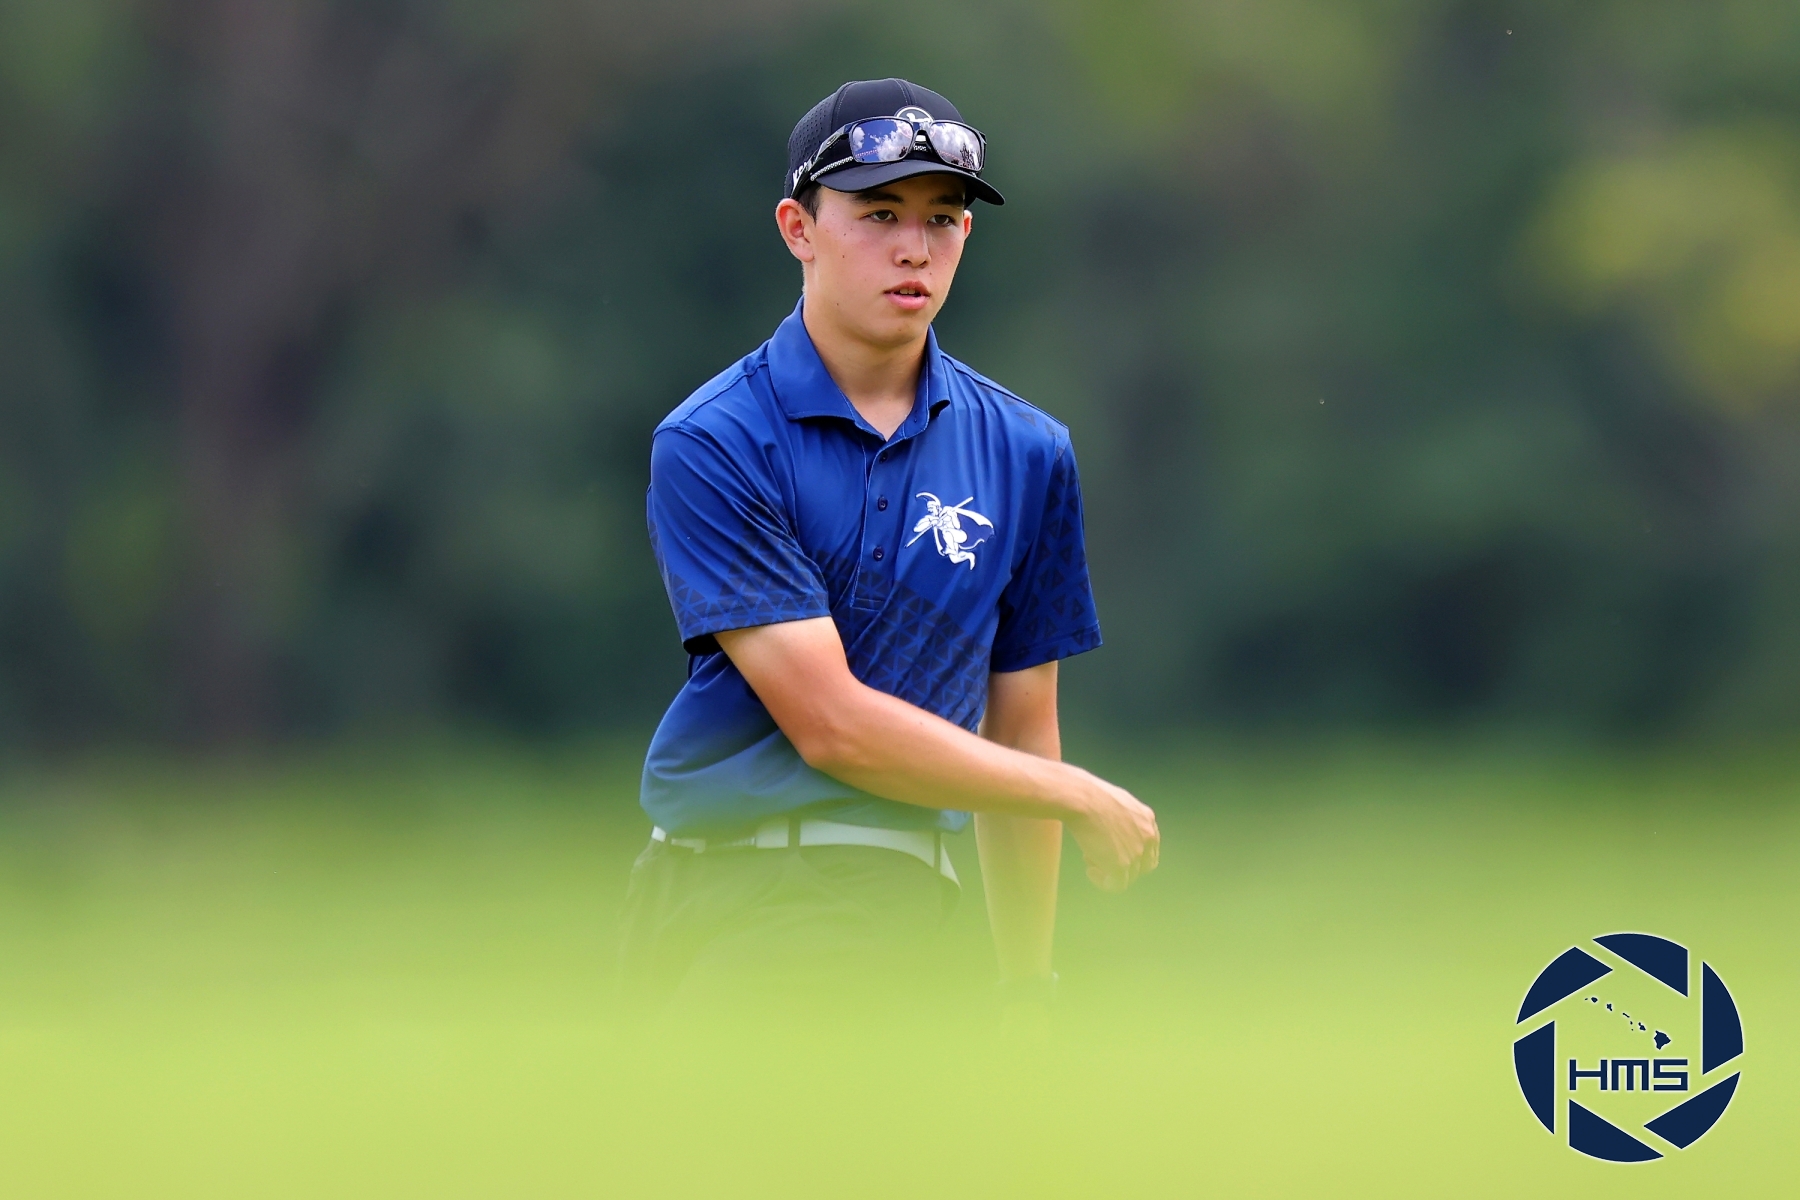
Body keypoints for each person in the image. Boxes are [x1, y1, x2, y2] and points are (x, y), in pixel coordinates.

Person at [617, 78, 1159, 1022]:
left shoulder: (1028, 453)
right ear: (798, 228)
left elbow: (1021, 727)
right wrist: (1073, 794)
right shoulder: (714, 440)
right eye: (879, 214)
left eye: (942, 218)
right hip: (701, 896)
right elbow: (830, 725)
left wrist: (1027, 987)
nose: (915, 246)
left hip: (886, 897)